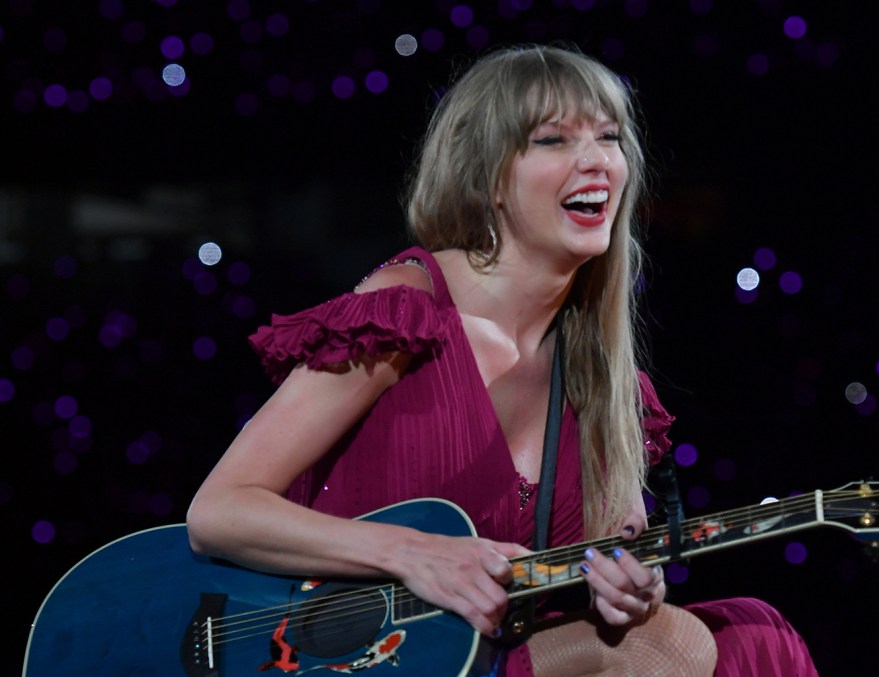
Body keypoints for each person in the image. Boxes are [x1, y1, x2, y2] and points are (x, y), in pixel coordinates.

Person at [186, 44, 818, 676]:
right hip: (343, 660)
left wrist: (630, 591)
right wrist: (412, 553)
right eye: (553, 140)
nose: (596, 160)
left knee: (751, 636)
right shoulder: (405, 313)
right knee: (672, 644)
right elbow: (219, 512)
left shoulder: (609, 388)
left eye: (608, 137)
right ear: (487, 178)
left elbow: (597, 580)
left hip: (489, 658)